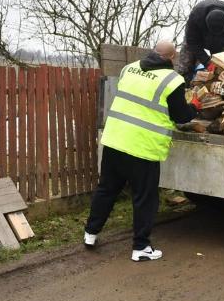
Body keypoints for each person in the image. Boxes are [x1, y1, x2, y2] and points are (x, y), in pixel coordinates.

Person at [84, 41, 199, 261]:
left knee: (106, 189)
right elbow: (180, 115)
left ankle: (90, 233)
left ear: (153, 51)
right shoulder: (172, 79)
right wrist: (194, 106)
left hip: (115, 140)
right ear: (172, 58)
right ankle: (141, 248)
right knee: (145, 198)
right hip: (142, 147)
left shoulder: (129, 68)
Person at [176, 0, 224, 82]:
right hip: (196, 39)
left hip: (222, 42)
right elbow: (192, 43)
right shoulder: (196, 16)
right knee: (185, 65)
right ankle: (184, 84)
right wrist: (208, 63)